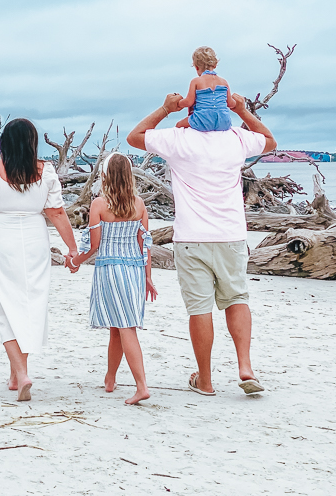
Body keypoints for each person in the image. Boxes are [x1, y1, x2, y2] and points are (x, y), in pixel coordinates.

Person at [126, 91, 276, 396]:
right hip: (230, 234)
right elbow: (269, 141)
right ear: (224, 109)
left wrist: (166, 109)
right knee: (236, 298)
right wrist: (244, 112)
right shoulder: (235, 137)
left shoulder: (180, 139)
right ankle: (245, 366)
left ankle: (205, 380)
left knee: (199, 308)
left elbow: (135, 136)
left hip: (192, 236)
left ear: (192, 109)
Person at [0, 118, 79, 402]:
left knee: (4, 305)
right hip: (35, 239)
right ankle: (16, 373)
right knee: (30, 302)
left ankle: (21, 374)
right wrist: (72, 249)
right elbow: (57, 213)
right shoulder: (46, 172)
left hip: (3, 239)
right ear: (33, 142)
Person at [68, 152, 157, 405]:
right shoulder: (139, 204)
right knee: (117, 328)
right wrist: (148, 276)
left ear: (105, 176)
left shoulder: (99, 204)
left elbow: (94, 246)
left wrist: (75, 261)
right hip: (134, 271)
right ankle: (110, 378)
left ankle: (141, 386)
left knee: (126, 327)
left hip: (110, 270)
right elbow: (144, 245)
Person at [175, 46, 233, 131]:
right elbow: (230, 103)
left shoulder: (196, 81)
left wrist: (178, 103)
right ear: (215, 65)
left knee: (179, 125)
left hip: (203, 121)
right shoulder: (224, 82)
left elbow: (189, 101)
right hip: (224, 121)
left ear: (196, 67)